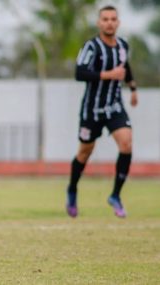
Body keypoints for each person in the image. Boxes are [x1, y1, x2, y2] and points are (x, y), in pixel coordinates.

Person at [66, 5, 138, 218]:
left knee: (126, 143)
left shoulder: (123, 46)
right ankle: (72, 188)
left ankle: (115, 195)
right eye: (105, 19)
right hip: (92, 109)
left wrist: (133, 87)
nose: (109, 22)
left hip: (114, 107)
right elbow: (80, 73)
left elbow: (126, 68)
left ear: (118, 22)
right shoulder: (91, 46)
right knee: (84, 152)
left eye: (113, 19)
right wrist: (108, 74)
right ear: (99, 23)